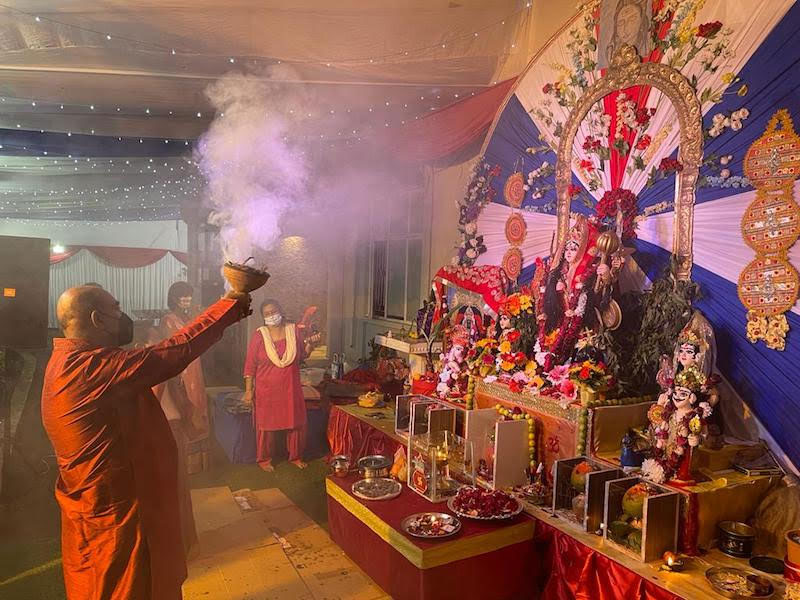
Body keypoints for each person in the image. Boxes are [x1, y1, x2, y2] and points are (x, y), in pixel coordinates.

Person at [41, 284, 250, 600]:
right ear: (98, 319)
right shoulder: (90, 368)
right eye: (116, 308)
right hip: (115, 515)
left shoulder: (64, 360)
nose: (122, 315)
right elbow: (177, 350)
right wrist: (230, 304)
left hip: (91, 510)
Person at [148, 281, 209, 554]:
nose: (186, 300)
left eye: (189, 296)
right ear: (174, 299)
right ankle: (190, 462)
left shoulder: (190, 317)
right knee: (187, 407)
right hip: (180, 373)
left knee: (197, 406)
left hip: (192, 369)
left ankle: (197, 460)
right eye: (182, 297)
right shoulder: (168, 321)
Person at [243, 299, 315, 471]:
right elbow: (250, 365)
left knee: (295, 422)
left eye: (274, 311)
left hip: (290, 388)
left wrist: (311, 345)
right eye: (267, 314)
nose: (271, 316)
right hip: (266, 389)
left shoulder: (293, 330)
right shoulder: (259, 335)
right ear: (263, 317)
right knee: (265, 426)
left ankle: (295, 457)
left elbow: (301, 356)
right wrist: (248, 390)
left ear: (280, 311)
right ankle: (264, 459)